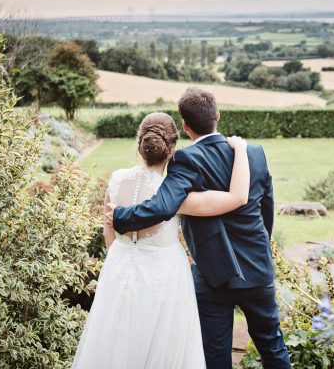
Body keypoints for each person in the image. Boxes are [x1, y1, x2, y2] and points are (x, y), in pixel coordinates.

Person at [108, 87, 292, 369]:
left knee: (215, 357)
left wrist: (119, 216)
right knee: (273, 347)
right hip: (257, 268)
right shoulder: (254, 153)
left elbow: (162, 206)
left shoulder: (186, 159)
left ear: (185, 125)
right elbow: (266, 206)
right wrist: (260, 245)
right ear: (217, 115)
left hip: (212, 275)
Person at [72, 112, 251, 369]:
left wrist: (127, 258)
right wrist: (241, 150)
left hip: (118, 270)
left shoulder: (117, 179)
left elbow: (108, 235)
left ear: (139, 142)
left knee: (115, 343)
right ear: (172, 149)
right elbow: (235, 198)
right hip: (165, 280)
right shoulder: (174, 194)